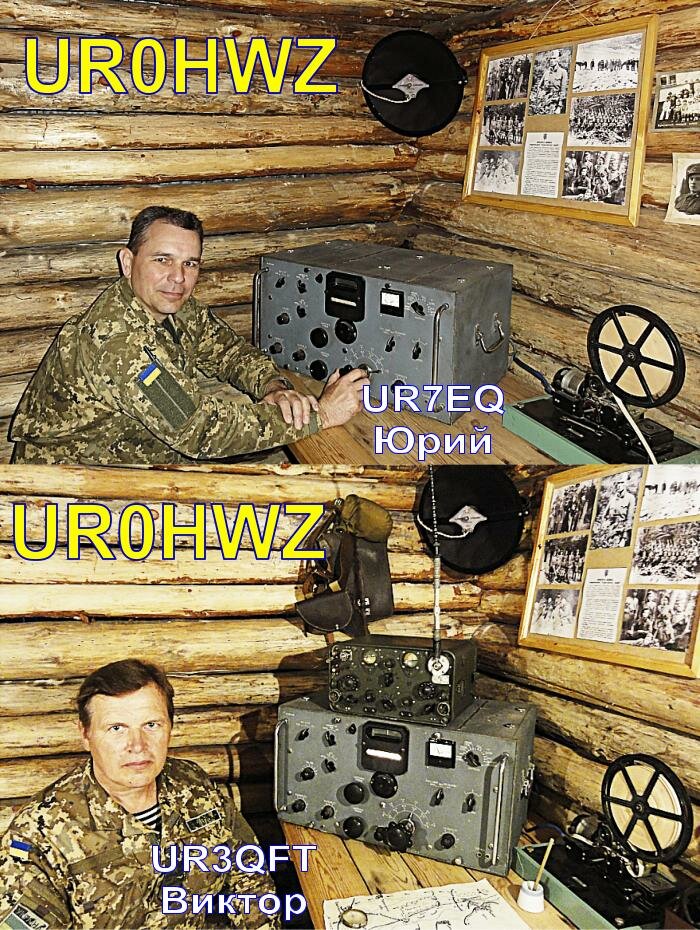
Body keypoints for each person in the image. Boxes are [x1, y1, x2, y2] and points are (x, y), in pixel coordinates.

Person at [10, 205, 369, 464]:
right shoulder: (119, 344)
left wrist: (273, 388)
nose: (178, 277)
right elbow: (199, 430)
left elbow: (228, 351)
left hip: (137, 451)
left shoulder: (172, 305)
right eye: (162, 260)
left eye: (189, 263)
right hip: (78, 484)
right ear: (127, 262)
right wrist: (322, 414)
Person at [0, 660, 278, 929]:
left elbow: (249, 877)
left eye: (151, 725)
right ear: (85, 734)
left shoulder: (193, 785)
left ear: (170, 727)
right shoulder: (39, 834)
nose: (137, 745)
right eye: (116, 728)